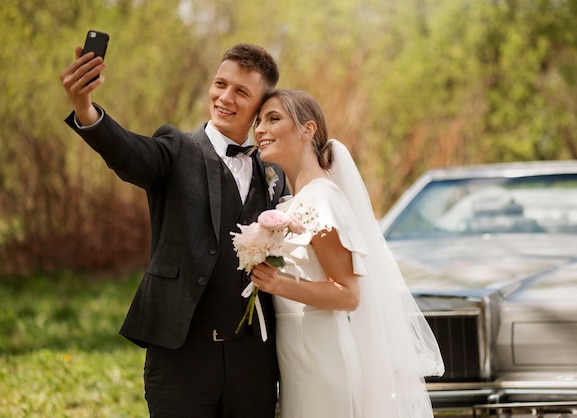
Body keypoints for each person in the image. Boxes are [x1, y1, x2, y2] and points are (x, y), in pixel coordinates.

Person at [59, 42, 289, 418]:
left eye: (241, 91)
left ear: (261, 107)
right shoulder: (177, 149)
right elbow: (130, 153)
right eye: (220, 84)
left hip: (254, 360)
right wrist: (85, 109)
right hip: (182, 356)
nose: (224, 97)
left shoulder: (274, 171)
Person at [250, 89, 445, 418]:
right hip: (296, 353)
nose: (260, 129)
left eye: (273, 119)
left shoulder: (322, 199)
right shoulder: (291, 203)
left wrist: (277, 284)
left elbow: (348, 294)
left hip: (324, 355)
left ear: (307, 130)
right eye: (258, 121)